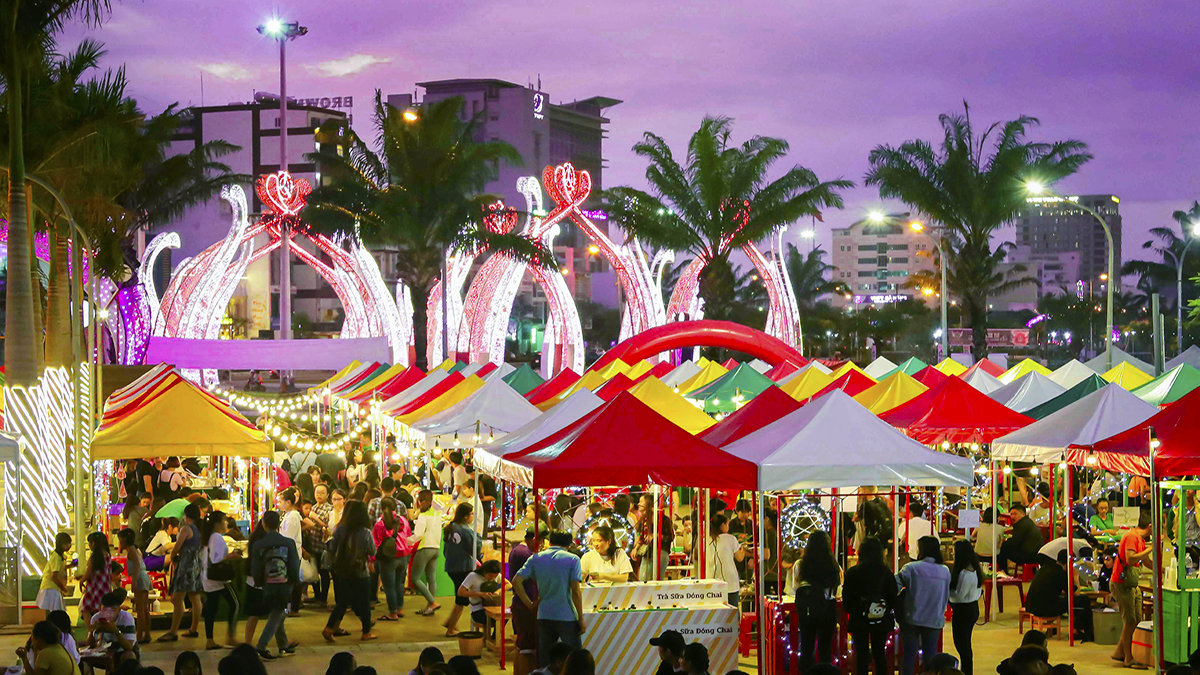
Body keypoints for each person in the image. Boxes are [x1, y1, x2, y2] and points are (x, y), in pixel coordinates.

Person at [512, 531, 585, 668]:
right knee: (574, 657)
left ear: (549, 542)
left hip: (544, 614)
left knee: (545, 657)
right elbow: (575, 591)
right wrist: (580, 618)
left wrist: (530, 604)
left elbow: (516, 581)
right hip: (567, 615)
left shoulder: (536, 558)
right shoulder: (573, 559)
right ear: (568, 545)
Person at [322, 500, 377, 642]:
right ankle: (366, 632)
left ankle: (329, 628)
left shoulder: (340, 529)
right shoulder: (365, 532)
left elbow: (332, 547)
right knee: (364, 603)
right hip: (360, 571)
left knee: (342, 602)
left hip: (342, 570)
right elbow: (372, 550)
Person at [895, 536, 951, 675]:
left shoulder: (911, 568)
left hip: (911, 618)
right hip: (934, 619)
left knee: (908, 656)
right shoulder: (945, 571)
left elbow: (894, 586)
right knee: (930, 659)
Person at [250, 510, 300, 660]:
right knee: (277, 613)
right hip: (284, 582)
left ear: (264, 524)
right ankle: (261, 645)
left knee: (277, 613)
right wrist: (293, 580)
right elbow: (294, 564)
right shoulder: (288, 543)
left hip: (267, 583)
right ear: (279, 524)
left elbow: (255, 567)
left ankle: (283, 643)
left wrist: (259, 581)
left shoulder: (258, 544)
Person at [842, 537, 896, 675]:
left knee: (861, 656)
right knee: (879, 654)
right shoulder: (886, 573)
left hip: (859, 620)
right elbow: (893, 598)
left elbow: (847, 600)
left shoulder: (853, 572)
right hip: (881, 619)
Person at [1111, 510, 1152, 667]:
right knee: (1129, 621)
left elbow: (1145, 560)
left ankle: (1120, 652)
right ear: (1150, 526)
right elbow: (1130, 558)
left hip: (1131, 583)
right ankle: (1128, 658)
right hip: (1122, 583)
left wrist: (1162, 570)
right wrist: (1151, 549)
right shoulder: (1131, 537)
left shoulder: (1140, 539)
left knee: (1136, 619)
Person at [794, 530, 840, 671]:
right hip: (827, 608)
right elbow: (836, 590)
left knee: (807, 648)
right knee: (825, 649)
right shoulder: (833, 565)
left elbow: (796, 588)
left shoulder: (801, 565)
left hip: (807, 608)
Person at [158, 503, 204, 642]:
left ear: (186, 515)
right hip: (196, 565)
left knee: (176, 599)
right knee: (195, 597)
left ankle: (173, 631)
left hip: (186, 566)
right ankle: (194, 628)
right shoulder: (197, 530)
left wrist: (172, 558)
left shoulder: (186, 529)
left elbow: (176, 548)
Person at [1026, 549, 1094, 642]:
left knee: (1070, 601)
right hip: (1045, 608)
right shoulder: (1060, 573)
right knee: (1084, 600)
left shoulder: (1046, 567)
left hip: (1032, 605)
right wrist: (1076, 576)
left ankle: (1076, 628)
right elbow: (1075, 593)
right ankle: (1081, 630)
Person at [201, 512, 241, 650]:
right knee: (234, 604)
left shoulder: (208, 537)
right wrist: (230, 557)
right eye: (224, 521)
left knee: (211, 608)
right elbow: (215, 559)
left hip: (208, 577)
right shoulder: (216, 537)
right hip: (218, 578)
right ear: (217, 523)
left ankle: (210, 639)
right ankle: (230, 637)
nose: (226, 524)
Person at [443, 502, 480, 636]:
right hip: (462, 567)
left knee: (459, 595)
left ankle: (450, 621)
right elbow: (475, 547)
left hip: (451, 566)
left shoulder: (450, 527)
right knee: (462, 599)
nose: (472, 516)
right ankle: (450, 629)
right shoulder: (466, 531)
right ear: (465, 516)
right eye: (471, 514)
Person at [374, 497, 413, 621]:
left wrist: (371, 558)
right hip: (404, 556)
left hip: (388, 558)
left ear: (381, 508)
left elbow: (376, 542)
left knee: (389, 586)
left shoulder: (380, 523)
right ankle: (399, 609)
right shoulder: (403, 520)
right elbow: (408, 536)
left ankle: (392, 612)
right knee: (399, 584)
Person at [948, 540, 983, 675]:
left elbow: (959, 596)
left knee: (962, 645)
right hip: (971, 609)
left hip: (963, 611)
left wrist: (946, 594)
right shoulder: (974, 569)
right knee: (964, 644)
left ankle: (967, 672)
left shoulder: (965, 573)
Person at [408, 489, 444, 616]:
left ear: (421, 502)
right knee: (431, 579)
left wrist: (405, 541)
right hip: (435, 548)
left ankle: (432, 602)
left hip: (424, 548)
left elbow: (418, 535)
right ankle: (430, 607)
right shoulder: (437, 514)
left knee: (415, 578)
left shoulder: (423, 516)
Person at [117, 528, 152, 643]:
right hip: (144, 576)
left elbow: (137, 565)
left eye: (121, 539)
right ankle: (146, 634)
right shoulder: (135, 549)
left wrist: (134, 581)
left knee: (140, 609)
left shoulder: (131, 550)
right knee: (145, 608)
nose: (120, 541)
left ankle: (140, 635)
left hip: (140, 578)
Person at [87, 589, 139, 664]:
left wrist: (115, 631)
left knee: (129, 656)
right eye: (105, 609)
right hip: (105, 652)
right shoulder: (96, 618)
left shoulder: (126, 618)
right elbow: (90, 645)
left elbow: (129, 647)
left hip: (123, 652)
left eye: (113, 609)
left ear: (119, 609)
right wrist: (92, 631)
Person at [276, 488, 306, 614]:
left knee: (293, 581)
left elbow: (289, 538)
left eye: (281, 501)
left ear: (288, 502)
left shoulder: (292, 516)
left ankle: (294, 607)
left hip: (291, 553)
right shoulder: (288, 515)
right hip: (289, 552)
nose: (279, 504)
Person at [707, 514, 746, 607]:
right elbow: (740, 558)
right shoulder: (731, 538)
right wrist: (743, 550)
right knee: (732, 611)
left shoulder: (707, 540)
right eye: (728, 525)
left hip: (711, 581)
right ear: (722, 525)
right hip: (730, 581)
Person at [78, 531, 113, 633]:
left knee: (85, 609)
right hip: (105, 587)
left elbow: (89, 572)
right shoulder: (107, 555)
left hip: (94, 588)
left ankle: (91, 632)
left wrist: (81, 580)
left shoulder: (94, 557)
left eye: (90, 543)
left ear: (95, 543)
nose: (89, 545)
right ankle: (102, 632)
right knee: (102, 611)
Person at [634, 493, 674, 581]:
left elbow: (670, 537)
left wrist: (656, 536)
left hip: (660, 552)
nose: (638, 504)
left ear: (649, 504)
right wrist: (636, 547)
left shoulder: (664, 520)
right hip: (647, 552)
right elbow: (641, 536)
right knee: (643, 578)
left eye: (641, 502)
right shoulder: (643, 520)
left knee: (656, 580)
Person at [457, 559, 506, 629]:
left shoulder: (496, 576)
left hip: (492, 607)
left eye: (495, 576)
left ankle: (494, 638)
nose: (493, 578)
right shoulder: (473, 576)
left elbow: (508, 584)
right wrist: (480, 594)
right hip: (478, 610)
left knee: (505, 617)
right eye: (490, 576)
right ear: (485, 571)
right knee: (495, 618)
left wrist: (498, 591)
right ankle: (490, 637)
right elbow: (460, 592)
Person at [997, 504, 1045, 574]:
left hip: (1029, 555)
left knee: (1004, 547)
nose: (1012, 516)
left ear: (1023, 514)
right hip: (1035, 553)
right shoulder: (1027, 522)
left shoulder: (1022, 525)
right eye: (1011, 514)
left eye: (1015, 514)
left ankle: (1003, 572)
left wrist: (1005, 541)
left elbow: (1015, 542)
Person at [38, 532, 72, 613]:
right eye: (67, 543)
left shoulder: (58, 556)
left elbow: (58, 569)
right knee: (57, 611)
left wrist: (69, 566)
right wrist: (64, 589)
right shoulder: (57, 557)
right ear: (62, 544)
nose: (69, 545)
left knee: (56, 611)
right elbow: (54, 576)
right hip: (51, 588)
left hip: (52, 588)